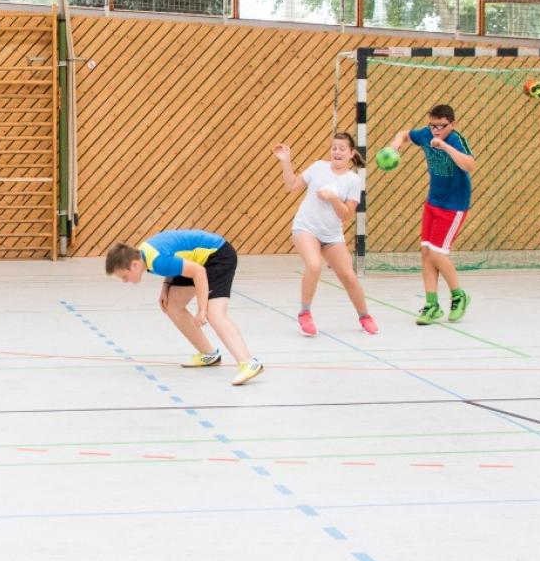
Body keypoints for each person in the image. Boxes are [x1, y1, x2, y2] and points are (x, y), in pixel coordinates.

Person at [105, 230, 263, 386]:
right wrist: (166, 286)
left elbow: (198, 272)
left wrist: (202, 309)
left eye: (124, 276)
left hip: (218, 256)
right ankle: (209, 354)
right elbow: (174, 257)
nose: (124, 281)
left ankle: (248, 362)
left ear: (134, 265)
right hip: (198, 262)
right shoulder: (144, 255)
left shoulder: (158, 260)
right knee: (172, 305)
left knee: (214, 314)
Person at [274, 133, 377, 337]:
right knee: (314, 266)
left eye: (342, 149)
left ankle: (365, 316)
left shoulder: (353, 180)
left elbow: (345, 215)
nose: (337, 152)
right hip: (306, 228)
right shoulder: (318, 167)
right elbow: (291, 185)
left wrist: (333, 198)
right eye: (334, 148)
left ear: (351, 153)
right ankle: (305, 314)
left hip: (332, 235)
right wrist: (285, 161)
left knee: (349, 277)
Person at [384, 103, 477, 325]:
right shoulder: (426, 134)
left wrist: (444, 146)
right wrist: (396, 145)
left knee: (437, 253)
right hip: (433, 201)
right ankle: (432, 305)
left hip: (454, 204)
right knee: (426, 252)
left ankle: (459, 295)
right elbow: (405, 134)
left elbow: (469, 165)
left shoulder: (455, 139)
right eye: (433, 126)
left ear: (452, 124)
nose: (436, 130)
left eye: (441, 126)